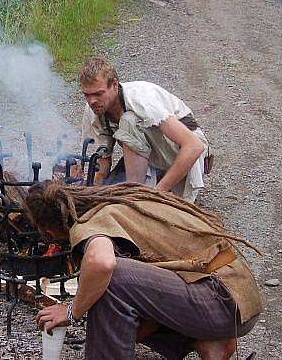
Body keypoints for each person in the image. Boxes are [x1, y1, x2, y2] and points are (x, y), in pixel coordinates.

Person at [26, 180, 262, 360]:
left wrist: (72, 311)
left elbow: (102, 264)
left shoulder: (87, 224)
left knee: (111, 278)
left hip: (221, 301)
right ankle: (209, 343)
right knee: (108, 288)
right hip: (237, 299)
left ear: (50, 229)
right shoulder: (118, 202)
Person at [79, 58, 211, 202]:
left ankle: (138, 196)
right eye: (87, 95)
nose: (92, 101)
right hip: (152, 154)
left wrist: (157, 192)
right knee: (108, 194)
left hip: (185, 150)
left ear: (115, 85)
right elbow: (102, 159)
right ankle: (137, 190)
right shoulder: (93, 109)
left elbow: (194, 146)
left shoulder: (141, 99)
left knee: (128, 120)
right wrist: (94, 191)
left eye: (98, 94)